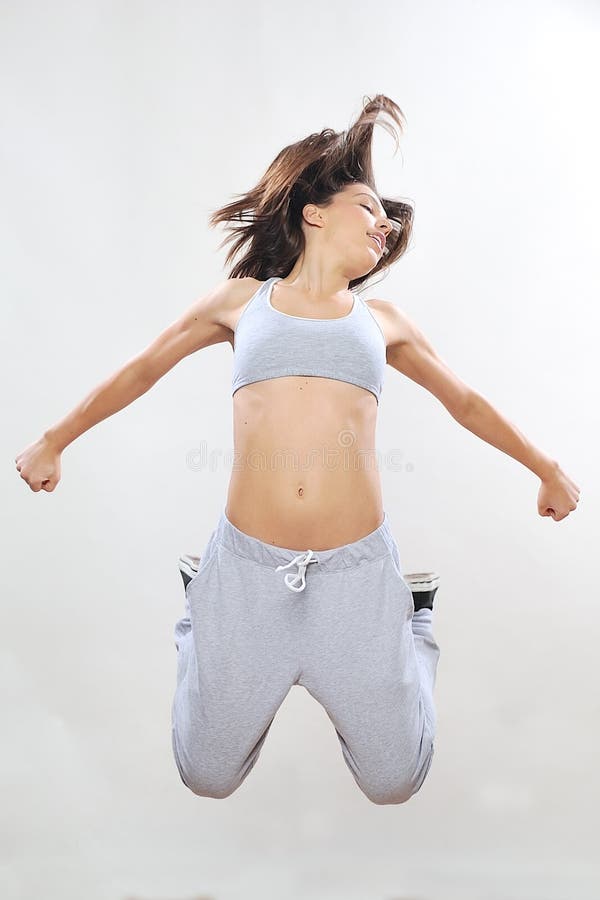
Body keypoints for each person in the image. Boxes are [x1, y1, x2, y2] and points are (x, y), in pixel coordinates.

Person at [14, 94, 581, 805]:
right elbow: (142, 368)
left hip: (357, 574)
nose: (385, 224)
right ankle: (202, 605)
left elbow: (465, 401)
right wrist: (53, 441)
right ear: (313, 213)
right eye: (368, 207)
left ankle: (418, 616)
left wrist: (547, 468)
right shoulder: (239, 303)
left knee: (394, 780)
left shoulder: (383, 321)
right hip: (247, 571)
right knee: (206, 773)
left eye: (389, 220)